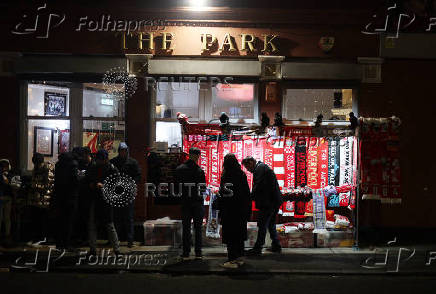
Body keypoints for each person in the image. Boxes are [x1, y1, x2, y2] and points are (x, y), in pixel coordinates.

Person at [242, 156, 283, 255]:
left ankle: (258, 247)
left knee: (263, 224)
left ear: (251, 162)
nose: (248, 170)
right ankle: (276, 245)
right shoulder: (262, 167)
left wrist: (250, 197)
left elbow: (258, 186)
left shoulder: (260, 169)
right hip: (273, 201)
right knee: (270, 224)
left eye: (247, 167)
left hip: (268, 203)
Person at [218, 154, 251, 269]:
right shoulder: (241, 174)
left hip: (229, 210)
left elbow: (223, 194)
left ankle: (231, 259)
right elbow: (246, 193)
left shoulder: (226, 175)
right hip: (240, 210)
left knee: (230, 235)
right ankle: (239, 258)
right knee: (239, 234)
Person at [86, 149, 120, 256]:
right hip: (96, 198)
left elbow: (117, 184)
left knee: (108, 225)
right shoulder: (96, 167)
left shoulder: (111, 169)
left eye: (101, 160)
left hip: (104, 200)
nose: (99, 162)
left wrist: (103, 186)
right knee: (95, 224)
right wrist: (91, 184)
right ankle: (93, 249)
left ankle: (116, 249)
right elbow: (88, 179)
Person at [175, 147, 206, 260]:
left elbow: (176, 188)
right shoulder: (199, 171)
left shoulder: (179, 169)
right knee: (197, 228)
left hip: (185, 202)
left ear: (189, 155)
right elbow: (202, 189)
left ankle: (186, 253)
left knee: (186, 227)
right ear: (197, 156)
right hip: (197, 203)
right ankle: (198, 253)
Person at [110, 142, 141, 248]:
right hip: (117, 193)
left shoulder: (132, 162)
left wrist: (130, 184)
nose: (123, 153)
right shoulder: (113, 162)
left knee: (128, 217)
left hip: (128, 193)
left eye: (124, 151)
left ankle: (130, 240)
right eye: (122, 151)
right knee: (117, 217)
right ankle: (116, 240)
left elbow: (138, 176)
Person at [53, 152, 80, 250]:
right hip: (70, 197)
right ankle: (66, 244)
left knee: (60, 221)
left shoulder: (59, 164)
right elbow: (75, 180)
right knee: (69, 222)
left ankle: (59, 244)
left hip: (59, 197)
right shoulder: (73, 164)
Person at [0, 159, 13, 245]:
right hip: (2, 198)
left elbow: (12, 184)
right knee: (2, 218)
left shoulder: (10, 175)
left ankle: (7, 235)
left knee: (6, 218)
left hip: (7, 198)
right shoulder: (3, 175)